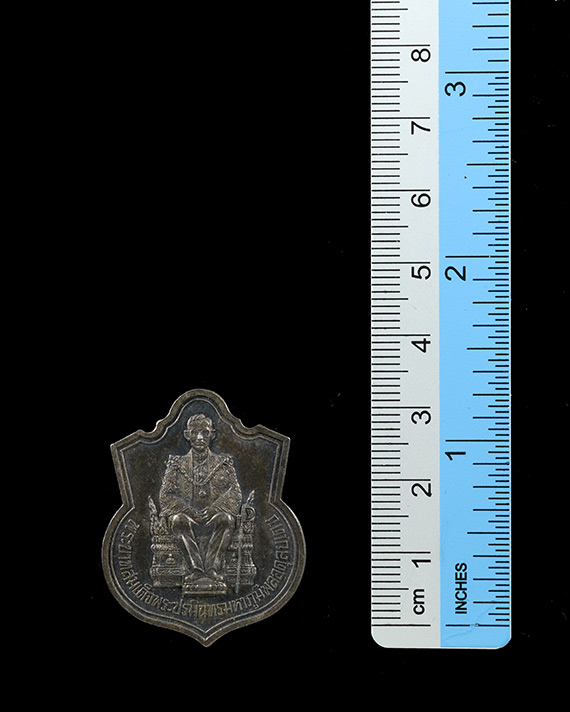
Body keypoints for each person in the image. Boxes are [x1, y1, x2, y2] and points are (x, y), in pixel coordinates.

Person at [159, 413, 242, 588]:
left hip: (213, 518)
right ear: (187, 435)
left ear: (212, 434)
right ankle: (195, 570)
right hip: (188, 518)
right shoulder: (176, 464)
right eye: (195, 432)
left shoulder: (223, 463)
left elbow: (235, 493)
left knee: (227, 519)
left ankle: (212, 569)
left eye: (204, 432)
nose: (199, 437)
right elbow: (166, 495)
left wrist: (213, 509)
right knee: (178, 520)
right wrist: (189, 510)